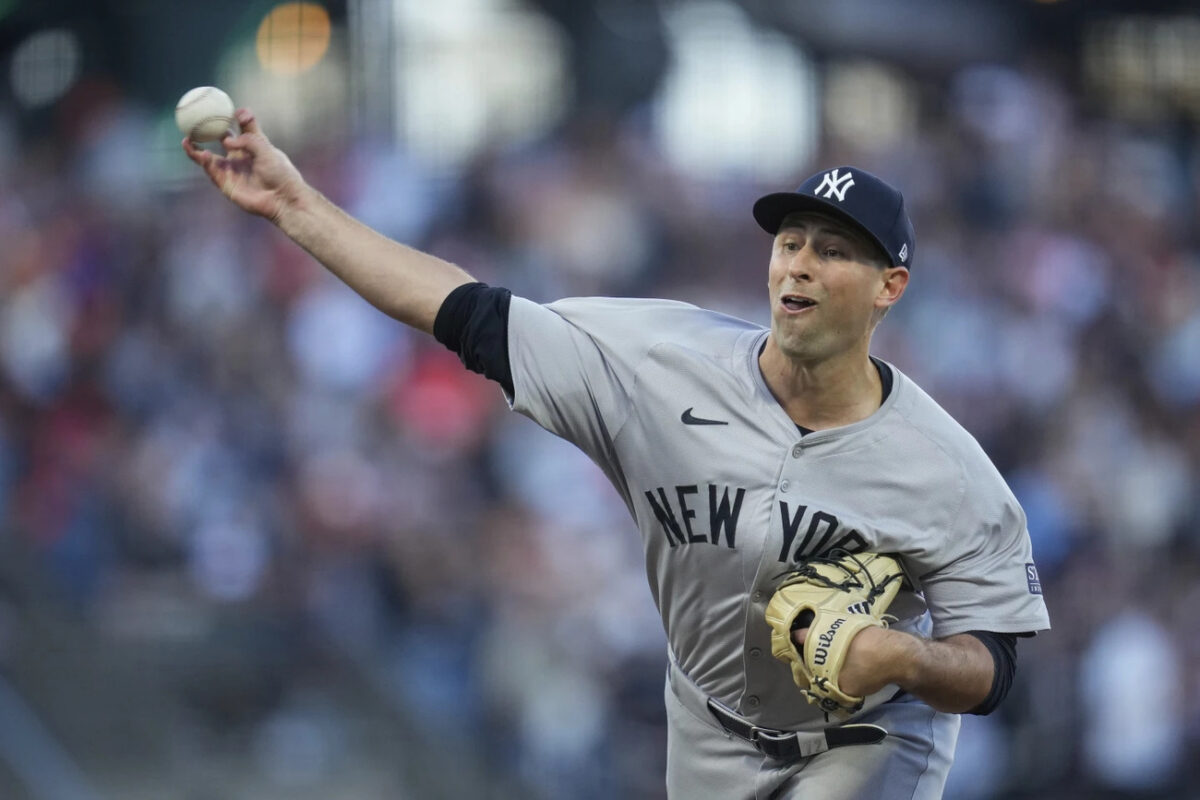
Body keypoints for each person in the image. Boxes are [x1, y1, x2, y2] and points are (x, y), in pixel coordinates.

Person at [183, 110, 1050, 799]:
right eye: (791, 242)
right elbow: (462, 311)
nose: (801, 266)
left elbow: (995, 667)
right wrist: (296, 207)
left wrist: (903, 658)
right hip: (709, 727)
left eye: (834, 251)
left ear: (889, 288)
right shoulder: (657, 362)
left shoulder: (945, 464)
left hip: (870, 734)